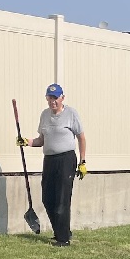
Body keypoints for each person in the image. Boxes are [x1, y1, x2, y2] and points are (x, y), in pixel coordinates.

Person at [18, 84, 86, 247]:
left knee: (62, 199)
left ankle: (63, 239)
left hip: (66, 159)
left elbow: (82, 138)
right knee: (48, 199)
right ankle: (62, 231)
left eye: (55, 98)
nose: (52, 101)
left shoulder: (71, 114)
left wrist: (83, 162)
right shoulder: (45, 115)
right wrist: (27, 142)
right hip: (49, 160)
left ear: (62, 97)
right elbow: (41, 140)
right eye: (49, 98)